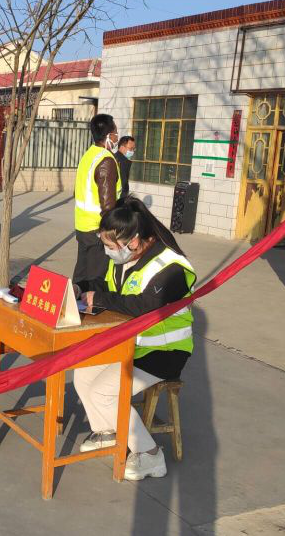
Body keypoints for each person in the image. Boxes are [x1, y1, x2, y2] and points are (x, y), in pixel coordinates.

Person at [74, 197, 197, 481]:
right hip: (130, 345)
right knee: (83, 373)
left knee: (105, 392)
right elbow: (107, 285)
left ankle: (150, 454)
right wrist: (81, 287)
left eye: (111, 245)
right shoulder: (125, 258)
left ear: (134, 241)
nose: (108, 251)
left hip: (164, 352)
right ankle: (107, 432)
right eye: (105, 244)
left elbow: (147, 306)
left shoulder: (171, 267)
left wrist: (99, 298)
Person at [73, 114, 121, 284]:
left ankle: (74, 298)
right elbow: (108, 205)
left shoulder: (89, 155)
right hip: (98, 229)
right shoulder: (106, 160)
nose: (117, 137)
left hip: (82, 225)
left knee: (82, 273)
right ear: (108, 136)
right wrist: (111, 233)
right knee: (96, 278)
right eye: (115, 132)